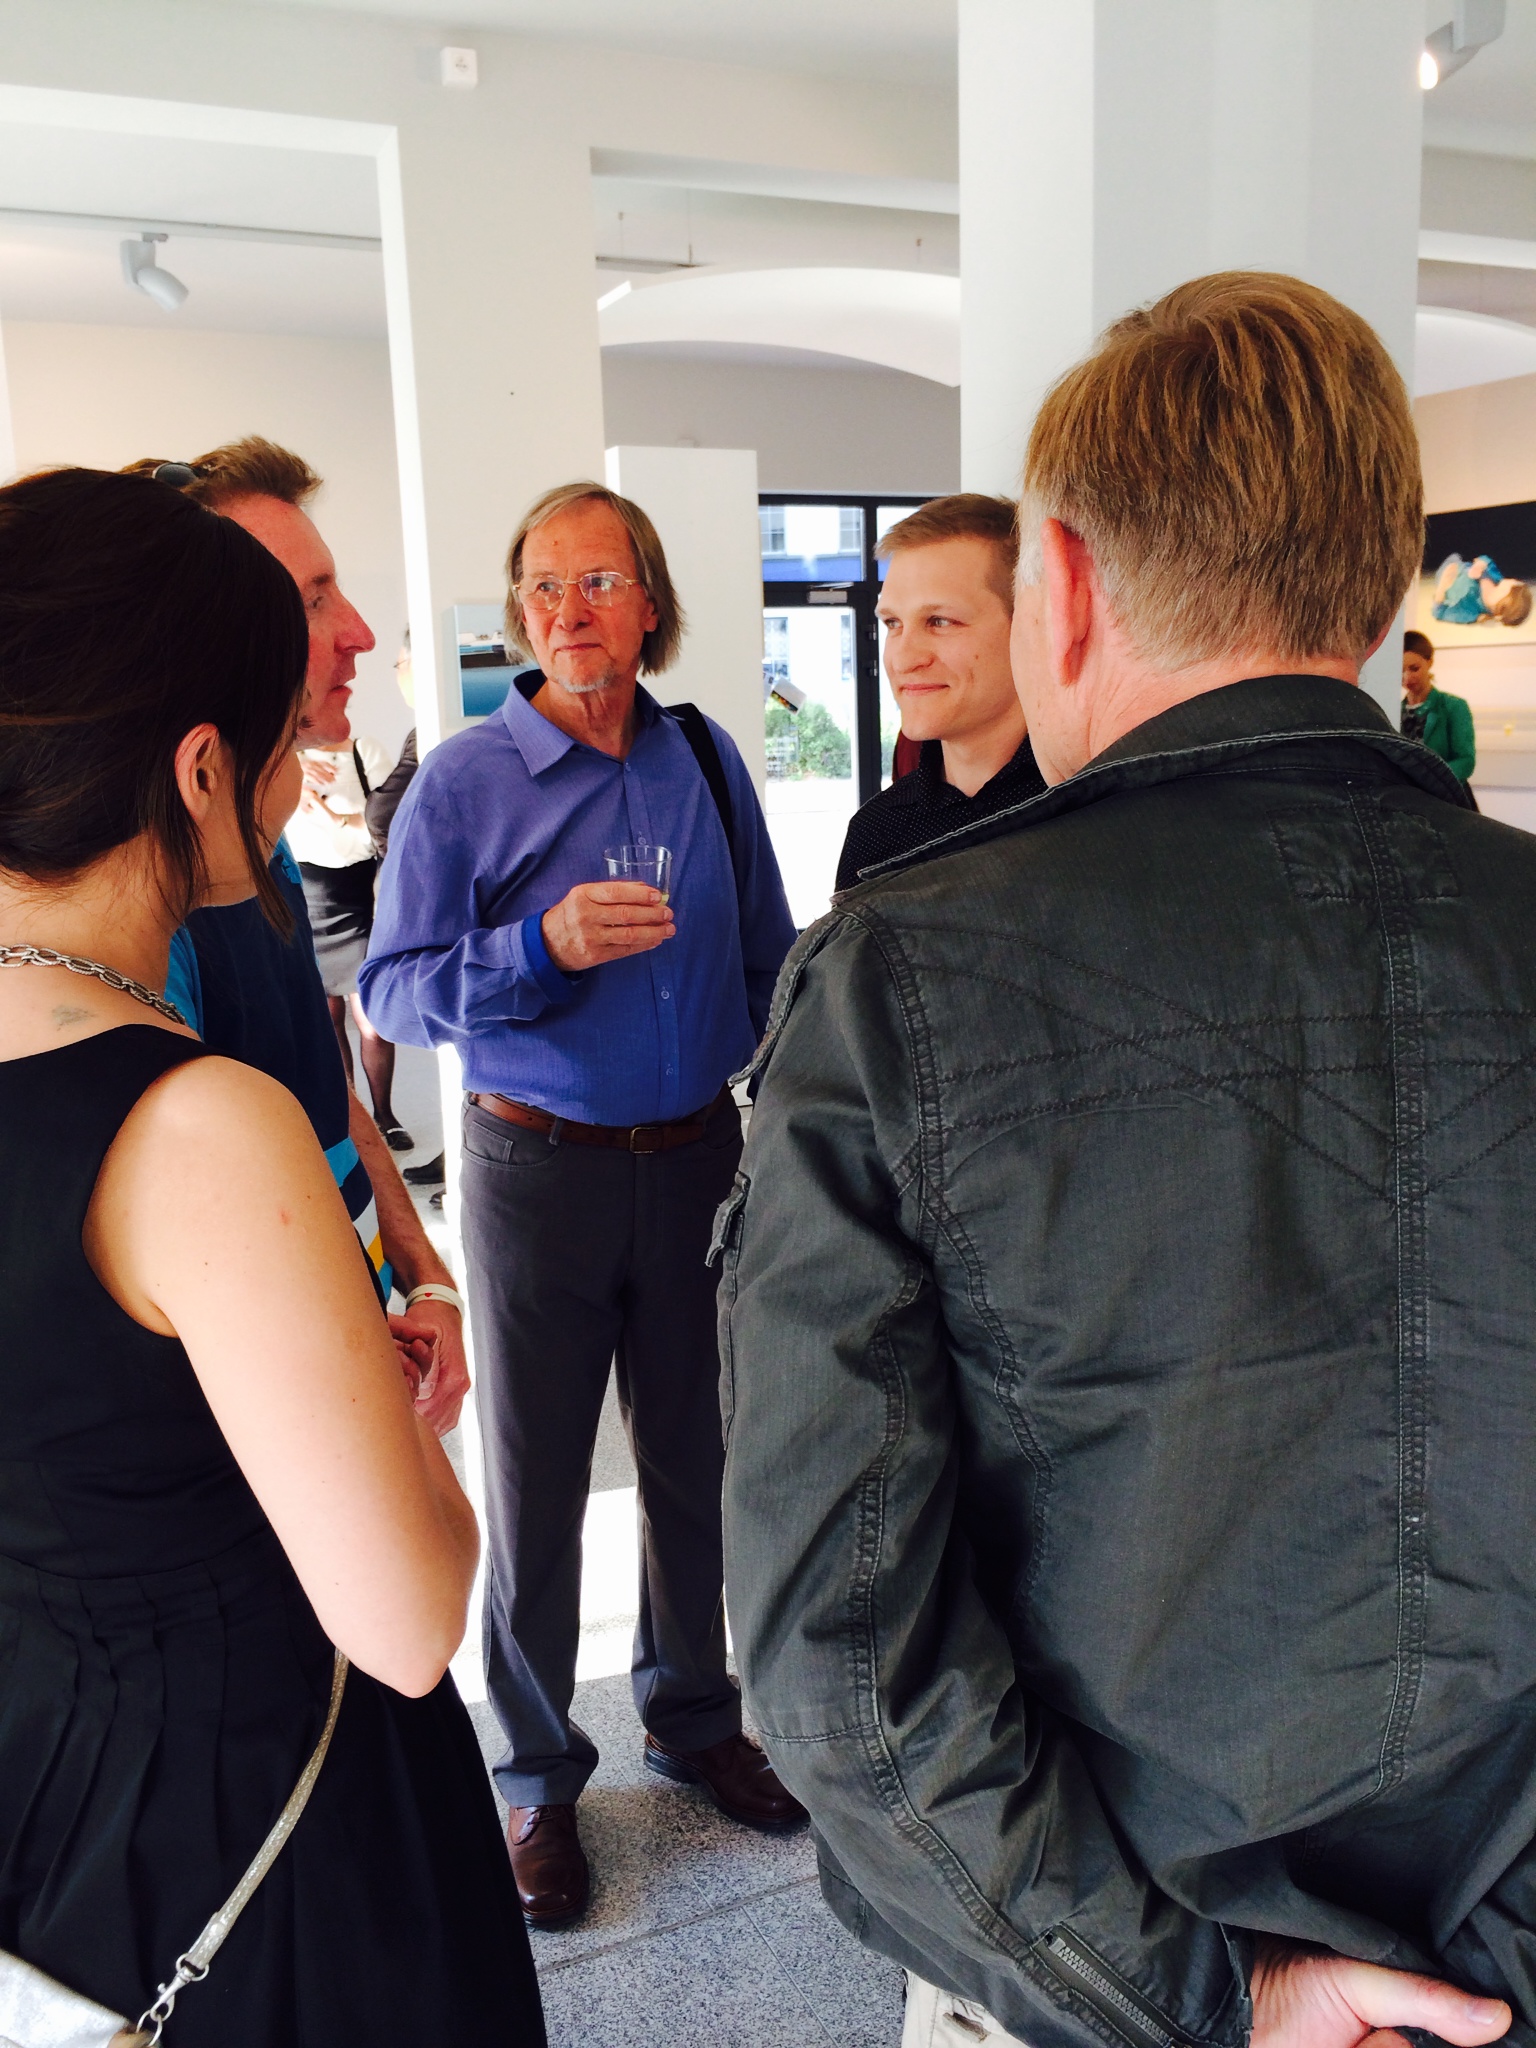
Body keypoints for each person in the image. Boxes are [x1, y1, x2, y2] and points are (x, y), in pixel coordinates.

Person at [718, 273, 1536, 2048]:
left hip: (1097, 1991)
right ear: (1382, 586)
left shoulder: (900, 983)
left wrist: (1217, 2001)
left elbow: (839, 1660)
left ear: (1067, 586)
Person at [0, 465, 543, 2043]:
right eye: (280, 742)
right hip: (259, 1822)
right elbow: (408, 1615)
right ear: (197, 769)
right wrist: (401, 1419)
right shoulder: (191, 1121)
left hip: (49, 1790)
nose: (302, 771)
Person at [362, 480, 803, 1929]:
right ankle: (540, 1774)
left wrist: (782, 1097)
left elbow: (767, 955)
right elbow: (391, 992)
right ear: (520, 614)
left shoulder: (704, 760)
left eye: (599, 581)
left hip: (696, 1160)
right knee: (539, 1480)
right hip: (534, 1169)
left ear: (650, 604)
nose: (568, 611)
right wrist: (539, 948)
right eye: (543, 587)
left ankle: (694, 1717)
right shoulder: (464, 782)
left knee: (695, 1461)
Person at [123, 440, 467, 1435]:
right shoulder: (144, 922)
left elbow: (323, 1079)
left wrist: (421, 1268)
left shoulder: (258, 848)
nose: (358, 631)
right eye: (310, 600)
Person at [836, 494, 1045, 892]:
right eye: (893, 623)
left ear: (1029, 626)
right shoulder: (876, 833)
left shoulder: (1093, 811)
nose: (903, 659)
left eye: (940, 621)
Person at [286, 727, 415, 1149]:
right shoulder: (283, 760)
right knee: (328, 1020)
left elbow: (385, 828)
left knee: (372, 1021)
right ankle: (352, 1117)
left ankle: (385, 1116)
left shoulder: (364, 752)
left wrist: (331, 817)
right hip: (305, 897)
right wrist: (293, 778)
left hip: (354, 900)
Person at [1402, 628, 1476, 781]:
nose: (1407, 677)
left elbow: (1466, 761)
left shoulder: (1453, 707)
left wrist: (1431, 779)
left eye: (1414, 669)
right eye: (1400, 670)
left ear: (1430, 662)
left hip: (1441, 792)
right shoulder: (1393, 711)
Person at [1431, 552, 1533, 629]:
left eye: (1515, 584)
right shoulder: (1497, 579)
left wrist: (1442, 588)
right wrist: (1480, 564)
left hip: (1440, 573)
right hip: (1454, 560)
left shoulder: (1472, 612)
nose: (1513, 580)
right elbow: (1487, 560)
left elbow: (1439, 613)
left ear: (1505, 597)